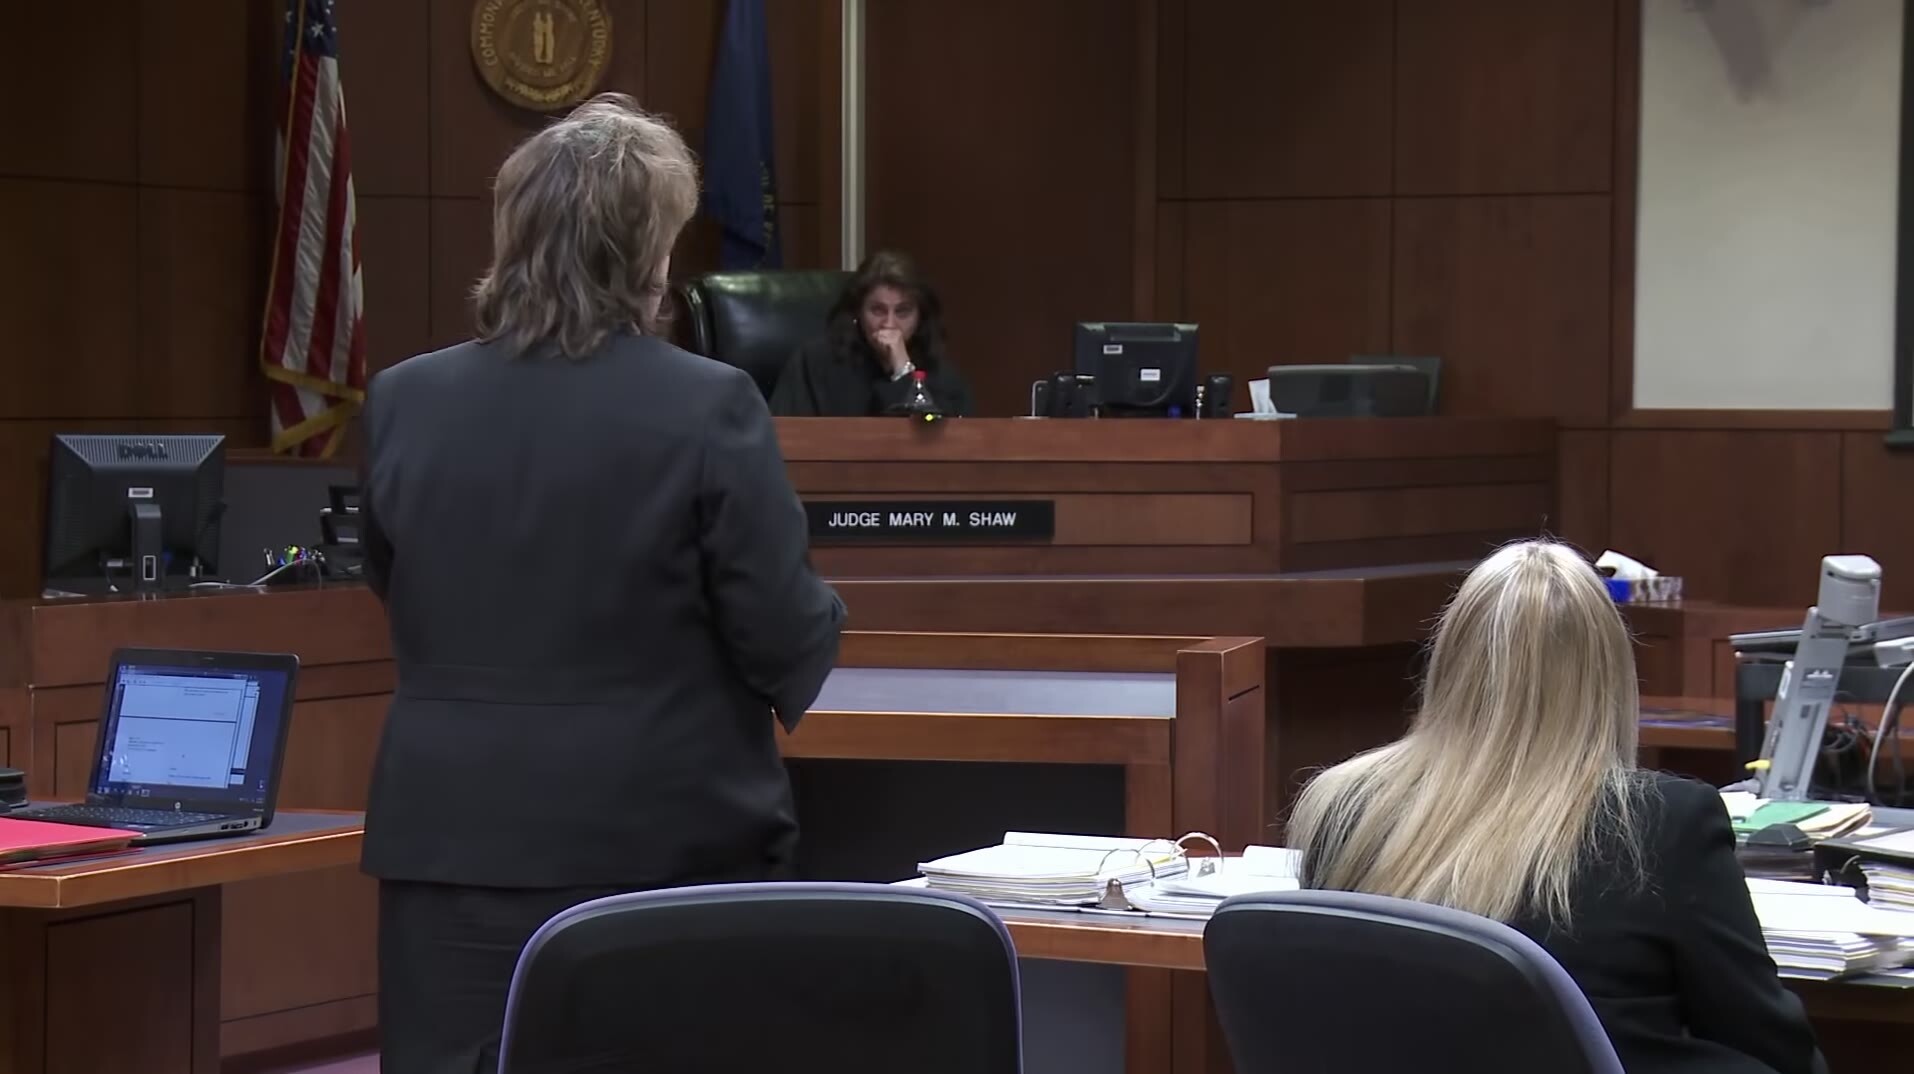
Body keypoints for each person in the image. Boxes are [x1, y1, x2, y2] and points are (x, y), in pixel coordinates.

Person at [356, 94, 845, 1073]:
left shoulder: (405, 400)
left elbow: (391, 577)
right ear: (647, 256)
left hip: (450, 845)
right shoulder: (709, 406)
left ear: (515, 235)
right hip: (659, 842)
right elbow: (782, 635)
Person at [1288, 540, 1825, 1074]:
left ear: (1449, 661)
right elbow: (1776, 1049)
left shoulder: (1342, 805)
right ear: (1610, 673)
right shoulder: (1664, 824)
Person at [769, 250, 974, 416]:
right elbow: (784, 437)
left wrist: (903, 370)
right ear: (858, 312)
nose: (889, 324)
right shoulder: (813, 363)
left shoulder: (939, 374)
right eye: (878, 310)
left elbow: (938, 439)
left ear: (921, 316)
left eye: (902, 311)